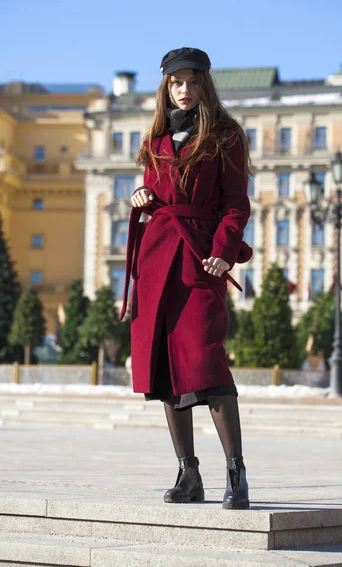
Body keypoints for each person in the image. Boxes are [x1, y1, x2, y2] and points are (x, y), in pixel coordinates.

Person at [120, 47, 252, 510]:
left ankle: (236, 474)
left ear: (205, 85)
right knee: (166, 367)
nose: (184, 90)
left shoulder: (226, 136)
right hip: (156, 259)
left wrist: (223, 251)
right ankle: (188, 473)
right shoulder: (155, 140)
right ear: (166, 87)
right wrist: (141, 195)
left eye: (192, 82)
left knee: (206, 359)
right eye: (176, 83)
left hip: (198, 257)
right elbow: (154, 193)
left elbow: (236, 203)